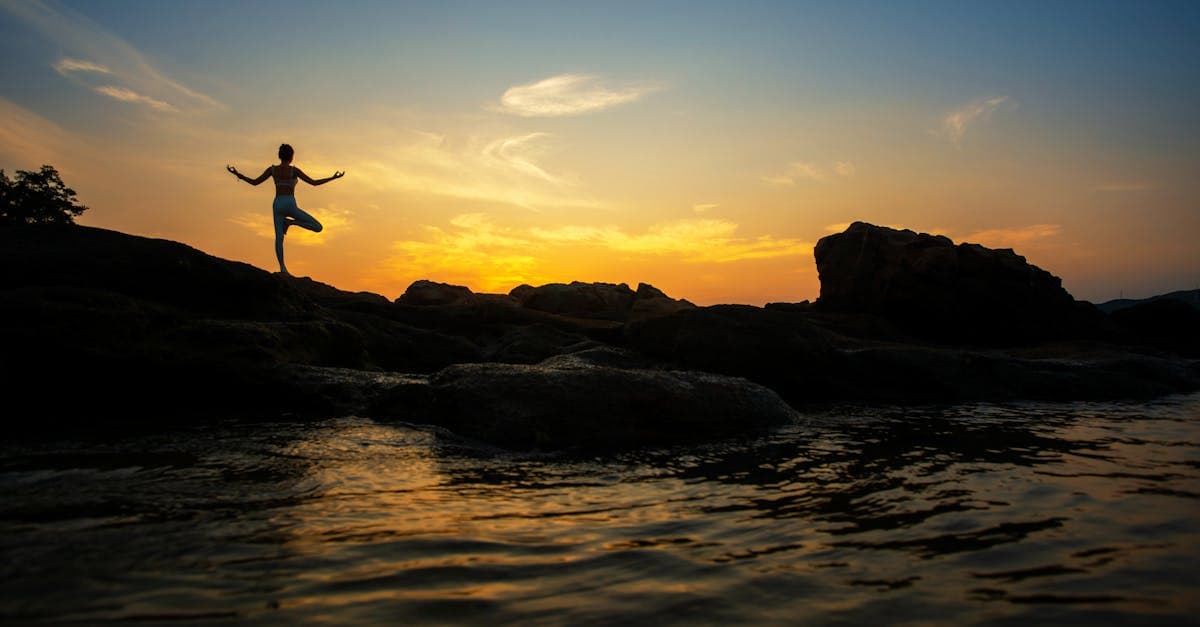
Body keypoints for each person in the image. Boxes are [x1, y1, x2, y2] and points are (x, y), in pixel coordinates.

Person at [226, 144, 344, 275]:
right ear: (291, 156)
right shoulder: (294, 170)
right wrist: (333, 178)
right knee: (317, 227)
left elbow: (255, 182)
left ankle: (282, 268)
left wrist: (238, 174)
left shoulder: (272, 170)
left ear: (279, 156)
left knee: (279, 237)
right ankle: (290, 222)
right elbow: (314, 183)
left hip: (277, 204)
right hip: (289, 203)